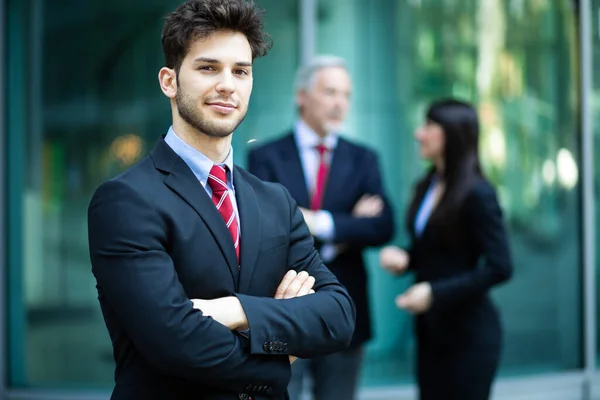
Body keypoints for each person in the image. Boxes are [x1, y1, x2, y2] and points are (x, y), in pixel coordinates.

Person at [87, 1, 356, 399]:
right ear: (169, 81)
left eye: (240, 71)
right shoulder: (126, 201)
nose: (227, 84)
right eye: (208, 67)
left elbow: (338, 316)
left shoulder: (275, 201)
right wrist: (284, 349)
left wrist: (235, 311)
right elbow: (174, 342)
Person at [248, 55, 394, 400]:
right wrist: (348, 225)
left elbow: (383, 226)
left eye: (346, 94)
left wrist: (317, 221)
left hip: (344, 310)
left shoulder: (364, 158)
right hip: (283, 305)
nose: (339, 103)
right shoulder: (266, 157)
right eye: (330, 92)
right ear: (302, 95)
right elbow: (266, 230)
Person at [379, 99, 513, 400]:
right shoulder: (428, 184)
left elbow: (501, 266)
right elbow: (439, 249)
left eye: (429, 126)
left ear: (452, 134)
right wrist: (408, 258)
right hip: (431, 333)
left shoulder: (479, 193)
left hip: (468, 336)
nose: (419, 134)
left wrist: (434, 293)